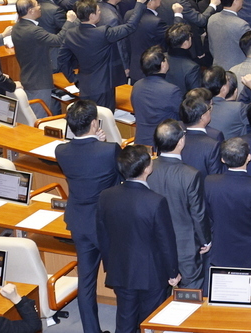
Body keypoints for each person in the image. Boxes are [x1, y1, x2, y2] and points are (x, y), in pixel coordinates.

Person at [97, 145, 181, 333]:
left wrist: (110, 266)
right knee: (150, 322)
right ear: (147, 169)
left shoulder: (105, 196)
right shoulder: (156, 201)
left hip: (120, 270)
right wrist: (173, 272)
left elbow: (102, 236)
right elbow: (166, 241)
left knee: (125, 321)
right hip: (151, 275)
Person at [55, 100, 121, 333]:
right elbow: (121, 174)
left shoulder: (60, 151)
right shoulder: (109, 150)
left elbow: (86, 164)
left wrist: (96, 140)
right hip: (106, 224)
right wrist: (101, 142)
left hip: (79, 222)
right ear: (95, 123)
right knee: (121, 280)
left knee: (86, 282)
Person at [148, 120, 213, 290]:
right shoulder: (191, 175)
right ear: (181, 141)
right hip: (186, 247)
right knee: (191, 293)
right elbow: (198, 214)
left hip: (154, 243)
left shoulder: (146, 170)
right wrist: (206, 240)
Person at [205, 137, 251, 268]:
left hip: (222, 251)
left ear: (222, 159)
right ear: (248, 157)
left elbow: (208, 215)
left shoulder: (209, 182)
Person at [131, 46, 183, 147]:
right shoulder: (172, 91)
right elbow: (182, 115)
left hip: (141, 142)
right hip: (164, 143)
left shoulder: (137, 86)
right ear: (163, 65)